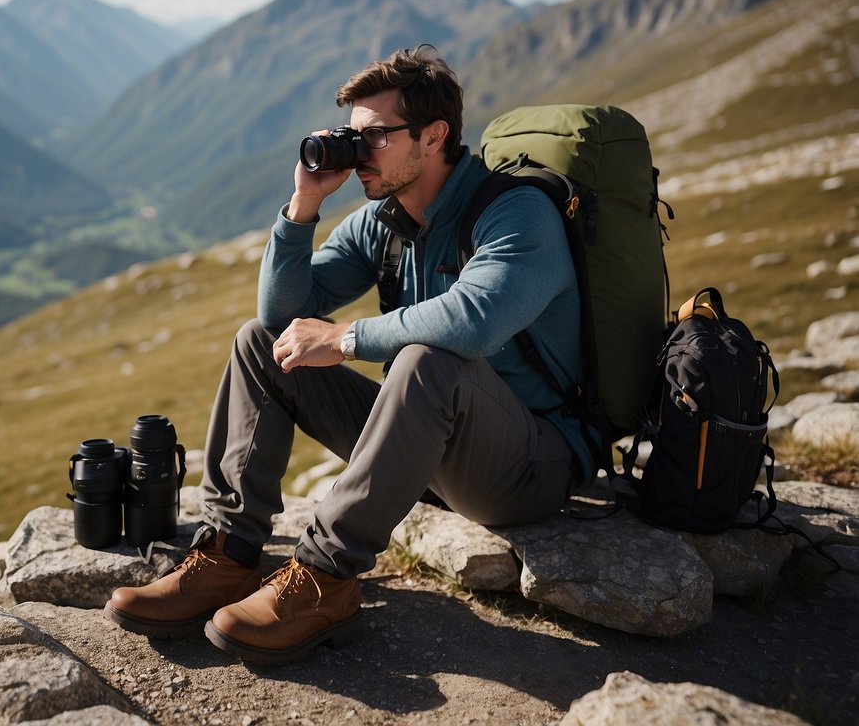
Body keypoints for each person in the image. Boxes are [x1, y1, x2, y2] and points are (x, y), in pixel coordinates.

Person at [103, 44, 594, 665]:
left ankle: (324, 581)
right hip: (424, 447)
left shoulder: (518, 214)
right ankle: (226, 556)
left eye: (375, 137)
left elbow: (472, 324)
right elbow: (284, 316)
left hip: (528, 466)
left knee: (427, 359)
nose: (359, 152)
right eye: (351, 136)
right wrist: (303, 206)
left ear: (434, 135)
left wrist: (345, 338)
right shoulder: (383, 219)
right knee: (259, 342)